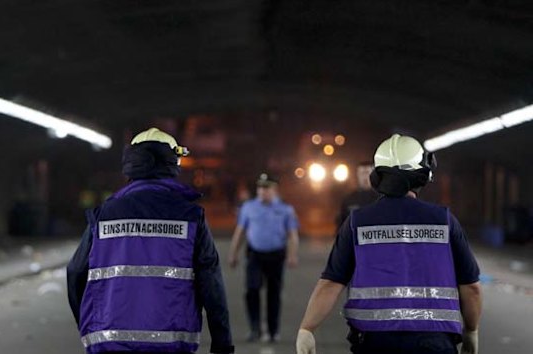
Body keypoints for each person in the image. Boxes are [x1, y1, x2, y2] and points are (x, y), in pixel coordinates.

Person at [296, 134, 482, 354]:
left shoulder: (357, 222)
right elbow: (471, 287)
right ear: (422, 175)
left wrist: (307, 328)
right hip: (435, 342)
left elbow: (331, 283)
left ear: (377, 176)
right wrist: (471, 331)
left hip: (374, 343)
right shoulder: (444, 221)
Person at [67, 128, 234, 354]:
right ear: (171, 163)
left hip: (110, 344)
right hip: (172, 344)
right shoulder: (190, 216)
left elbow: (76, 271)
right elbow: (211, 283)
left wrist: (91, 326)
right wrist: (222, 343)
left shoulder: (104, 214)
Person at [228, 173, 299, 343]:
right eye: (260, 187)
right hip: (255, 255)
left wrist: (292, 255)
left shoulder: (285, 210)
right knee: (252, 290)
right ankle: (254, 328)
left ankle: (273, 331)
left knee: (273, 294)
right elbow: (240, 232)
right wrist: (233, 253)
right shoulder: (248, 207)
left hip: (276, 255)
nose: (262, 191)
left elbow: (292, 234)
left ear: (274, 189)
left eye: (266, 188)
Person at [335, 162, 378, 231]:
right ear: (357, 175)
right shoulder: (349, 200)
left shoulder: (381, 199)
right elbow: (341, 225)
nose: (365, 177)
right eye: (362, 173)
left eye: (367, 173)